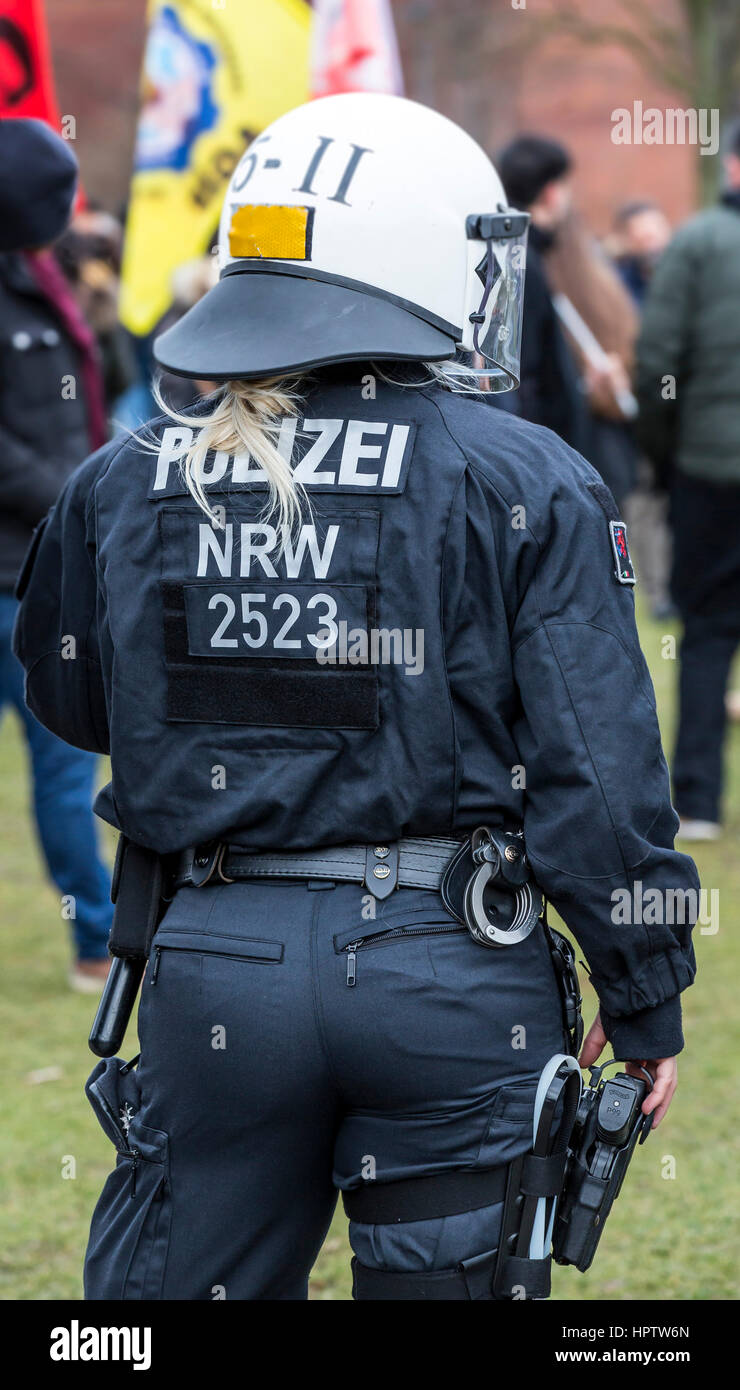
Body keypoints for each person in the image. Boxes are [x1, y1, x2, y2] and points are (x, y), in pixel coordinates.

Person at [15, 94, 697, 1301]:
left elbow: (72, 697)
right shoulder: (520, 469)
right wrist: (640, 995)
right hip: (447, 970)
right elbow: (597, 763)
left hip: (211, 957)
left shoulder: (123, 474)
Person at [0, 117, 113, 991]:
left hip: (45, 572)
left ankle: (96, 936)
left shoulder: (45, 278)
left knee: (65, 773)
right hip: (19, 569)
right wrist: (75, 499)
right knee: (60, 775)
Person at [636, 124, 740, 840]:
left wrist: (664, 458)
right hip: (706, 459)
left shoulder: (698, 244)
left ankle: (698, 802)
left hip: (710, 470)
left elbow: (658, 364)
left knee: (705, 633)